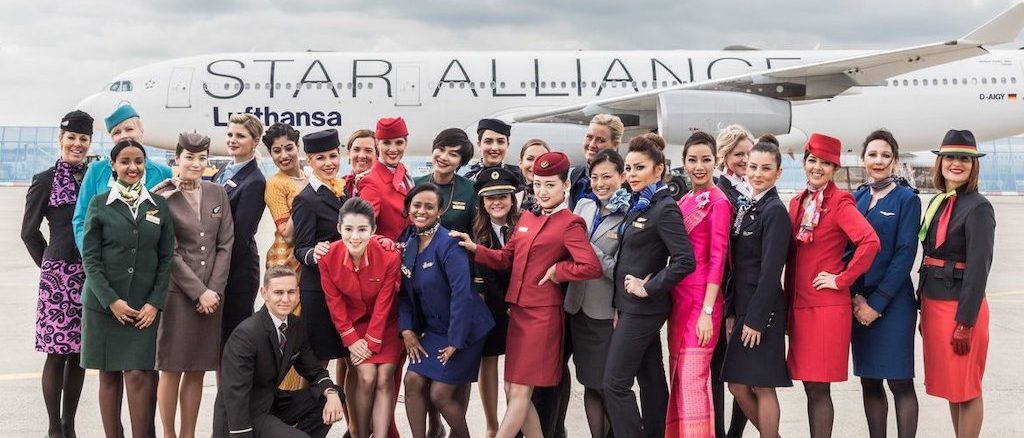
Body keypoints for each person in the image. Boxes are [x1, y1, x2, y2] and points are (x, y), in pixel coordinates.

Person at [452, 151, 603, 438]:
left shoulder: (570, 223)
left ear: (565, 185)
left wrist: (559, 270)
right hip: (518, 314)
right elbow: (505, 258)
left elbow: (591, 266)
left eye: (550, 185)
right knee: (512, 389)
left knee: (520, 392)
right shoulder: (527, 218)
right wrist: (475, 249)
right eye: (538, 184)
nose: (543, 191)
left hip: (542, 316)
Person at [786, 133, 880, 438]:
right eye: (812, 160)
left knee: (818, 388)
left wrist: (842, 279)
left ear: (834, 169)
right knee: (808, 386)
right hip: (799, 307)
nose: (817, 167)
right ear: (804, 162)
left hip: (825, 309)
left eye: (825, 163)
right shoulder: (797, 202)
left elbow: (869, 242)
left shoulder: (840, 202)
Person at [80, 139, 175, 438]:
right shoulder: (100, 204)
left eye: (138, 161)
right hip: (104, 306)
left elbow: (166, 258)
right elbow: (90, 258)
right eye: (125, 161)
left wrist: (155, 302)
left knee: (137, 375)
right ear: (113, 165)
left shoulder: (158, 205)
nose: (132, 167)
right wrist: (111, 301)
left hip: (143, 307)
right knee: (108, 377)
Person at [604, 136, 696, 438]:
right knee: (651, 379)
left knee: (614, 384)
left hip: (643, 308)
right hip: (630, 306)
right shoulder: (642, 203)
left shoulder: (664, 208)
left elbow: (685, 260)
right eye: (629, 168)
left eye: (639, 168)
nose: (631, 174)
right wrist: (619, 304)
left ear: (659, 170)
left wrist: (650, 287)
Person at [152, 133, 235, 438]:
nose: (196, 164)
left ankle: (188, 434)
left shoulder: (217, 193)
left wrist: (213, 290)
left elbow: (225, 244)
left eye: (202, 158)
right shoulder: (163, 195)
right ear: (177, 159)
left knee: (198, 369)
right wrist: (199, 292)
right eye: (189, 157)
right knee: (171, 368)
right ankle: (169, 434)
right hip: (178, 295)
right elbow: (168, 251)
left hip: (212, 296)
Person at [399, 183, 496, 438]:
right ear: (408, 208)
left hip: (465, 328)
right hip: (434, 329)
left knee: (440, 394)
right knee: (412, 381)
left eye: (429, 206)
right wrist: (407, 330)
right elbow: (404, 294)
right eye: (417, 205)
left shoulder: (449, 243)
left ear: (440, 211)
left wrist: (456, 339)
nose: (422, 211)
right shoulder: (408, 243)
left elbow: (461, 294)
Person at [21, 110, 94, 438]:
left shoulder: (94, 177)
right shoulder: (45, 179)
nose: (77, 144)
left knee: (79, 354)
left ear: (89, 142)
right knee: (57, 353)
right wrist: (50, 266)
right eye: (71, 138)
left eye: (83, 139)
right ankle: (54, 429)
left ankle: (69, 426)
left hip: (90, 275)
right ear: (61, 139)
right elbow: (29, 231)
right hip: (58, 276)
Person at [918, 129, 994, 438]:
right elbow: (928, 257)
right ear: (940, 163)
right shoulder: (937, 202)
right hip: (934, 304)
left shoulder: (979, 207)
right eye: (950, 157)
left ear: (974, 165)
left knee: (967, 387)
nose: (956, 164)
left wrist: (965, 321)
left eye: (965, 158)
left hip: (960, 309)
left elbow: (979, 268)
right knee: (952, 387)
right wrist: (922, 307)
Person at [213, 266, 345, 438]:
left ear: (298, 293)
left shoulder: (295, 326)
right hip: (244, 415)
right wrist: (241, 434)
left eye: (291, 292)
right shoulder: (246, 334)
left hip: (272, 403)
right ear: (264, 293)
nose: (285, 299)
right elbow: (235, 394)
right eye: (278, 293)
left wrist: (331, 393)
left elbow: (314, 370)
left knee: (331, 395)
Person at [850, 129, 921, 438]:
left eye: (885, 155)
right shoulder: (856, 198)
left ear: (894, 160)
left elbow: (905, 254)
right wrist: (856, 297)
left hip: (893, 303)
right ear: (863, 159)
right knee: (869, 380)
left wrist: (876, 304)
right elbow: (847, 250)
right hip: (859, 303)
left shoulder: (907, 199)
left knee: (899, 381)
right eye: (872, 155)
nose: (878, 161)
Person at [720, 141, 793, 438]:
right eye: (753, 167)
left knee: (762, 385)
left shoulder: (774, 211)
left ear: (778, 173)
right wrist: (732, 311)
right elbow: (736, 266)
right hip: (744, 306)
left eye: (766, 168)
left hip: (763, 312)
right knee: (738, 385)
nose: (757, 174)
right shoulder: (749, 205)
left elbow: (771, 271)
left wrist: (756, 320)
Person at [666, 132, 733, 436]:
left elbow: (718, 259)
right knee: (679, 379)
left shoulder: (719, 202)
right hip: (679, 302)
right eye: (692, 160)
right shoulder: (684, 200)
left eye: (706, 160)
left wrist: (707, 311)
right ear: (684, 163)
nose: (699, 166)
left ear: (715, 161)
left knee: (694, 380)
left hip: (703, 302)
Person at [319, 198, 404, 438]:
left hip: (386, 325)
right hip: (353, 326)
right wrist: (352, 340)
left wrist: (372, 341)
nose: (355, 237)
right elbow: (334, 303)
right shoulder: (327, 257)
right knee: (367, 377)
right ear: (339, 229)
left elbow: (385, 303)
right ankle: (359, 432)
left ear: (373, 230)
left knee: (384, 377)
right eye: (348, 229)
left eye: (362, 229)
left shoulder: (389, 256)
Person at [567, 149, 630, 438]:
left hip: (605, 311)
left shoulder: (630, 214)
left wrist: (586, 248)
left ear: (623, 176)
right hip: (577, 307)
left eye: (607, 176)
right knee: (589, 383)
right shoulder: (583, 206)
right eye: (594, 177)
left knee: (608, 387)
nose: (600, 183)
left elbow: (620, 270)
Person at [72, 103, 172, 252]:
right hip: (106, 260)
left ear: (141, 133)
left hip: (148, 260)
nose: (124, 135)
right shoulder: (96, 171)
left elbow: (169, 225)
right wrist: (90, 257)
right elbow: (81, 220)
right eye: (117, 132)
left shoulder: (163, 173)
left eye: (129, 129)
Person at [470, 167, 521, 438]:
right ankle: (492, 425)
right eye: (490, 198)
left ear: (512, 199)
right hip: (489, 305)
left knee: (515, 370)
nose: (497, 202)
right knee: (487, 363)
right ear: (482, 201)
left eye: (502, 196)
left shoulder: (525, 226)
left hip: (520, 306)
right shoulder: (476, 230)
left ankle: (513, 424)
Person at [712, 124, 755, 438]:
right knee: (718, 373)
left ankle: (734, 434)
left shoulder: (753, 190)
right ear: (725, 156)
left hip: (746, 294)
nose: (745, 159)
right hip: (722, 296)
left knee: (744, 375)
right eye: (739, 154)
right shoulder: (720, 192)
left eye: (750, 153)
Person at [292, 129, 349, 363]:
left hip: (345, 287)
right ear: (309, 161)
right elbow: (300, 248)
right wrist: (314, 253)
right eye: (320, 158)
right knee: (318, 361)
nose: (328, 163)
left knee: (351, 356)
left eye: (333, 156)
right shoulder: (305, 199)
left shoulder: (342, 192)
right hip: (319, 289)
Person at [214, 113, 267, 344]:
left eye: (240, 136)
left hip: (237, 272)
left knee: (233, 340)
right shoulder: (224, 170)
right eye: (230, 134)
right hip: (220, 267)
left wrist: (216, 271)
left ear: (255, 141)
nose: (232, 140)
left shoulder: (255, 181)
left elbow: (241, 236)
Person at [358, 117, 414, 240]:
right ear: (377, 144)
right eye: (386, 143)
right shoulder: (371, 182)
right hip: (390, 250)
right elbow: (363, 230)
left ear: (405, 144)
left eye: (399, 143)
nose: (393, 149)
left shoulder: (403, 172)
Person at [414, 128, 477, 234]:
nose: (443, 157)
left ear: (461, 162)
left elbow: (479, 231)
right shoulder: (414, 184)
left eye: (453, 154)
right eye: (441, 149)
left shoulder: (471, 189)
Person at [263, 122, 306, 275]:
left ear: (297, 146)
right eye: (277, 151)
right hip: (286, 262)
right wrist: (304, 199)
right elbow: (287, 235)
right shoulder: (275, 184)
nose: (284, 155)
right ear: (270, 153)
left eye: (289, 148)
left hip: (310, 257)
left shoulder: (309, 178)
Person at [568, 114, 625, 210]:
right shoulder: (576, 175)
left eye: (601, 140)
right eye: (589, 137)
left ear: (615, 145)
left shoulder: (625, 181)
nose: (592, 144)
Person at [464, 118, 525, 186]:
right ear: (479, 145)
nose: (495, 148)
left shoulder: (519, 176)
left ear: (507, 145)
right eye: (488, 141)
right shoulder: (468, 179)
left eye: (500, 142)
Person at [515, 139, 550, 213]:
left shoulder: (559, 197)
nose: (535, 165)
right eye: (530, 159)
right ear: (520, 163)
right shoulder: (512, 194)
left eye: (541, 159)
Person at [344, 129, 377, 198]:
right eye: (356, 149)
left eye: (368, 150)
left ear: (377, 155)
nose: (361, 156)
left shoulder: (386, 186)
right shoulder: (338, 185)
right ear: (349, 153)